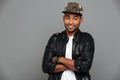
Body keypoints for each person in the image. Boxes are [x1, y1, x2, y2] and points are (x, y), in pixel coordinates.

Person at [42, 2, 95, 80]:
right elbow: (46, 67)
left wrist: (59, 59)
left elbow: (85, 67)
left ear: (81, 20)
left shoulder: (86, 39)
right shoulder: (54, 39)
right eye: (67, 17)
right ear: (63, 18)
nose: (70, 22)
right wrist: (75, 63)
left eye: (75, 18)